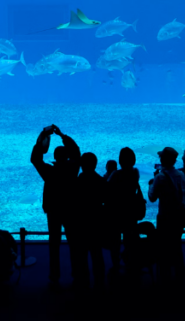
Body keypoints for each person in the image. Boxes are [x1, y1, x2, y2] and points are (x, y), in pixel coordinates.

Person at [30, 124, 80, 288]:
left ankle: (54, 276)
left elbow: (35, 159)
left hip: (53, 210)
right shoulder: (73, 169)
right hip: (70, 210)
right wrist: (62, 135)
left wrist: (42, 136)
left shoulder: (49, 172)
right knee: (74, 243)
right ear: (66, 156)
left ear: (55, 157)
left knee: (54, 243)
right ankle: (76, 274)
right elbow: (76, 152)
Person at [147, 147, 185, 284]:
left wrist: (151, 183)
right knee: (176, 246)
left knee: (164, 248)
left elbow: (152, 197)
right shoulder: (181, 175)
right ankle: (180, 276)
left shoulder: (160, 177)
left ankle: (165, 278)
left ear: (163, 160)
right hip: (179, 217)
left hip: (165, 217)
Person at [73, 152, 107, 289]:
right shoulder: (101, 181)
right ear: (95, 164)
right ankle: (100, 282)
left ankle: (82, 282)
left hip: (81, 223)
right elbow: (106, 200)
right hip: (96, 222)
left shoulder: (77, 181)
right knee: (97, 253)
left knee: (81, 255)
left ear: (81, 165)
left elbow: (73, 202)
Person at [106, 147, 142, 277]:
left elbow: (107, 189)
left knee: (115, 241)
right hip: (130, 211)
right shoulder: (135, 172)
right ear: (133, 160)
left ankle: (116, 265)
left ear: (120, 161)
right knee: (129, 240)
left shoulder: (116, 174)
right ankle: (129, 264)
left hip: (116, 212)